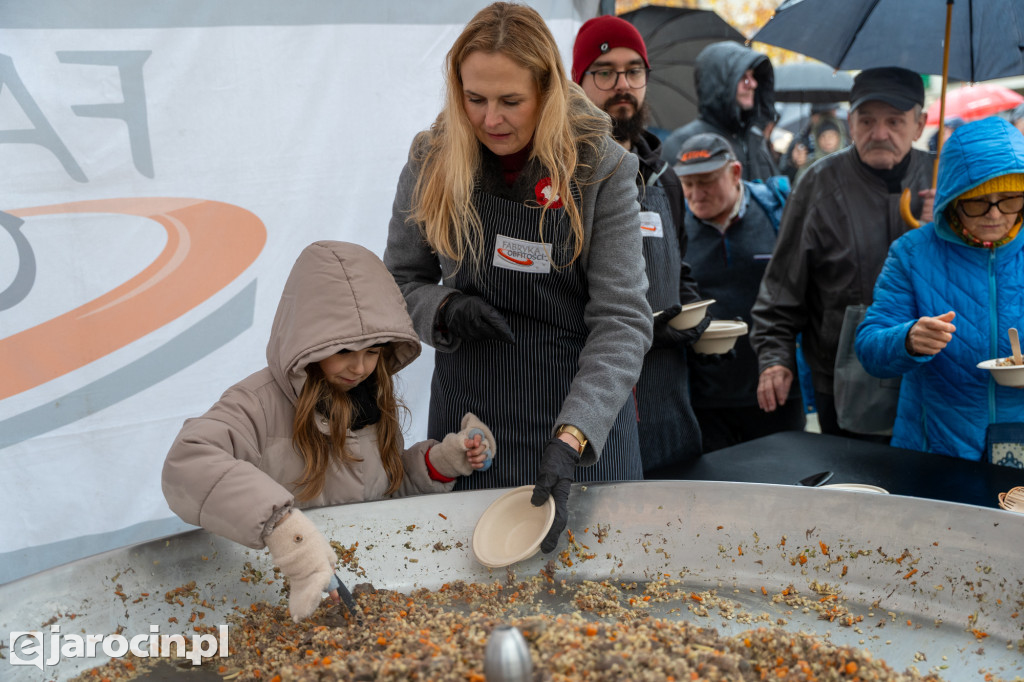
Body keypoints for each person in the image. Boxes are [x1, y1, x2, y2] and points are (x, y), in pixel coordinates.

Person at [383, 3, 653, 554]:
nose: (491, 120)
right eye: (474, 99)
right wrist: (442, 308)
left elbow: (622, 321)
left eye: (511, 102)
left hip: (579, 413)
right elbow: (397, 281)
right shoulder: (432, 159)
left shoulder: (599, 169)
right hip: (474, 422)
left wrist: (574, 435)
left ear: (548, 91)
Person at [162, 241, 495, 621]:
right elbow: (187, 462)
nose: (360, 368)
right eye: (344, 351)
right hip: (279, 597)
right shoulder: (256, 403)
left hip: (370, 588)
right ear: (308, 343)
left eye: (373, 351)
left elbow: (381, 493)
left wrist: (439, 463)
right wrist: (286, 532)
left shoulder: (371, 396)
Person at [751, 67, 935, 439]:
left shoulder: (943, 179)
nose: (879, 133)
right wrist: (775, 359)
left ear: (920, 125)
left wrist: (945, 229)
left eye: (895, 121)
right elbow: (782, 288)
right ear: (850, 122)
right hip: (840, 379)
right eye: (867, 120)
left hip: (934, 377)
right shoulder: (818, 184)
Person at [571, 14, 706, 474]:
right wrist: (642, 328)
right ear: (579, 83)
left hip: (668, 397)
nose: (622, 84)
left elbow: (680, 264)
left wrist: (690, 314)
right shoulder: (569, 177)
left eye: (633, 71)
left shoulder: (665, 179)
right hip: (598, 399)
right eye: (604, 72)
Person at [855, 117, 1024, 460]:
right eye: (976, 202)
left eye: (1009, 199)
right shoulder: (913, 252)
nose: (994, 215)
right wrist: (907, 339)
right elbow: (869, 347)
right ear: (952, 199)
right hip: (935, 445)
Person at [674, 133, 805, 453]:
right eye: (687, 184)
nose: (695, 194)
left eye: (705, 181)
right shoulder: (675, 226)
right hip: (703, 397)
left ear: (735, 173)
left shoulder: (777, 211)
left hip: (774, 388)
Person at [660, 41, 780, 181]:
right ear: (720, 86)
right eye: (744, 78)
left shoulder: (755, 140)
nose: (753, 84)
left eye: (753, 76)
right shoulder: (683, 143)